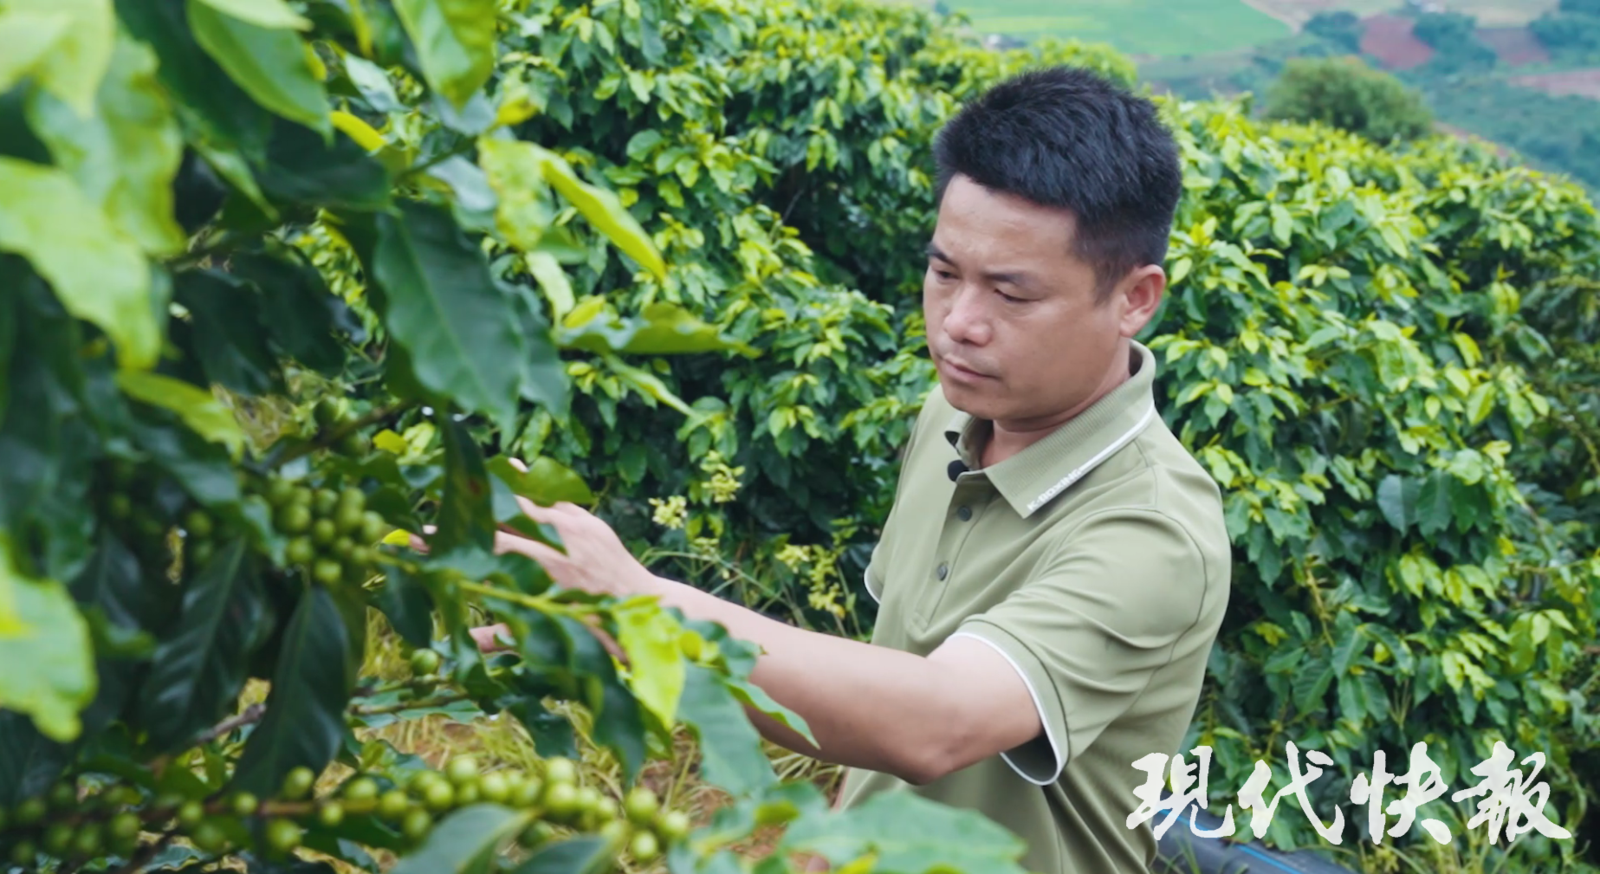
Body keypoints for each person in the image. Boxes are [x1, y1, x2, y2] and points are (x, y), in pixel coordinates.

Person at [456, 66, 1232, 873]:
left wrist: (635, 604)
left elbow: (936, 723)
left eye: (1012, 294)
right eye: (944, 273)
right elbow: (890, 687)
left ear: (1135, 299)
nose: (960, 324)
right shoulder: (950, 421)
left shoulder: (1154, 530)